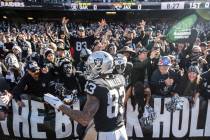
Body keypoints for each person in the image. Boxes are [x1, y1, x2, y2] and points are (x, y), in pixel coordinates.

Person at [44, 51, 128, 140]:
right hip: (122, 130)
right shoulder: (120, 78)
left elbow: (84, 119)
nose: (88, 69)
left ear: (100, 67)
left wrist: (59, 105)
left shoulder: (96, 85)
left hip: (107, 134)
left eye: (90, 66)